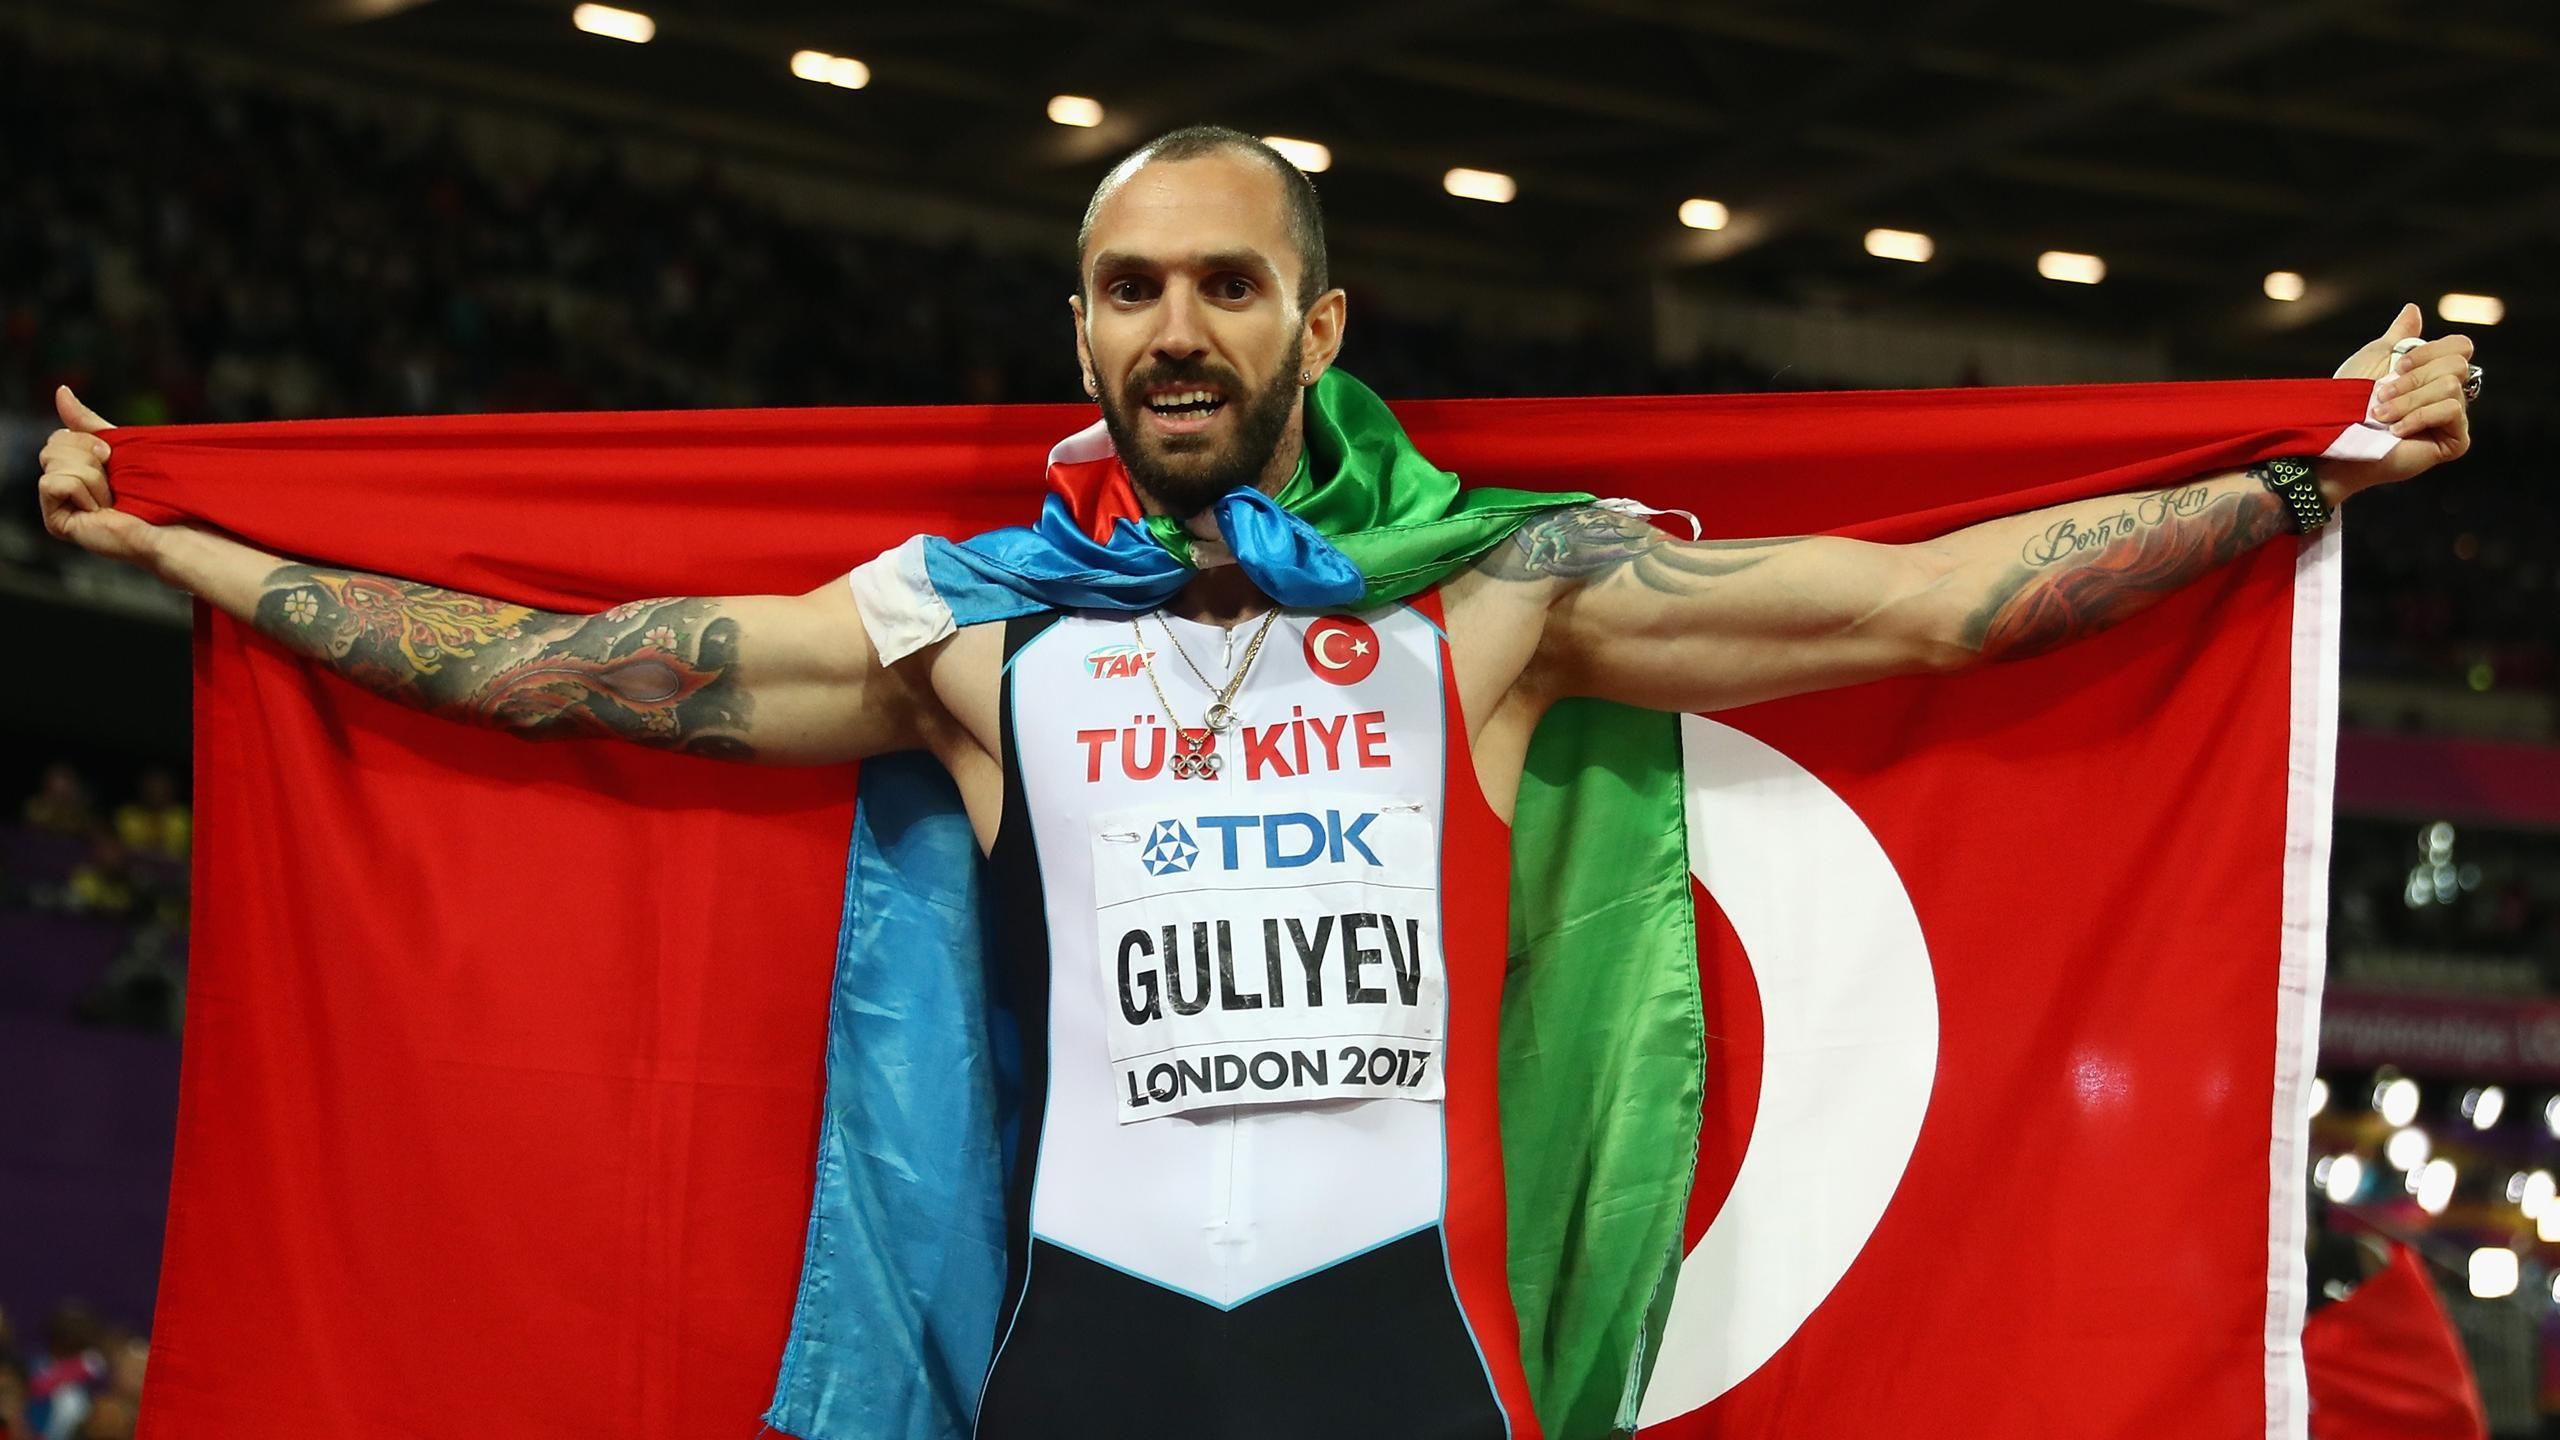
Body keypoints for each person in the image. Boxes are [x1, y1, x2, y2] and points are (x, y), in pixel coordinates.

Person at [35, 126, 2477, 1439]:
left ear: (1318, 322)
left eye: (1224, 283)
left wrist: (2303, 471)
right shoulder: (972, 636)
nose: (1175, 326)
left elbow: (1923, 608)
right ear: (1079, 334)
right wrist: (191, 551)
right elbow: (567, 672)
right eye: (1130, 289)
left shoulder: (1489, 600)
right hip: (1078, 1365)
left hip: (1396, 1359)